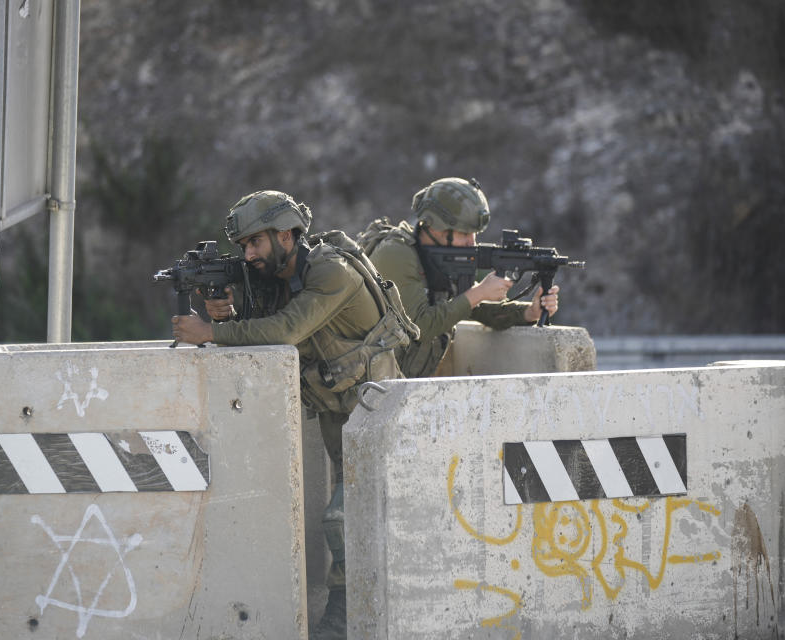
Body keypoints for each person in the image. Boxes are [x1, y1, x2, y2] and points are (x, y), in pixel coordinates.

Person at [172, 190, 414, 640]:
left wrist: (212, 332)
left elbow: (285, 331)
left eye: (255, 244)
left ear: (286, 235)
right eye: (243, 246)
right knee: (353, 519)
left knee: (345, 519)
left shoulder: (329, 271)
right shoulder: (280, 277)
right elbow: (265, 327)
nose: (248, 254)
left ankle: (346, 621)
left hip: (377, 413)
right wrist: (227, 314)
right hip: (337, 416)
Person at [362, 177, 559, 378]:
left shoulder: (437, 256)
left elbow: (475, 308)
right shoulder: (395, 254)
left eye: (474, 234)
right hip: (368, 388)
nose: (470, 242)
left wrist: (530, 312)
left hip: (398, 384)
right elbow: (421, 327)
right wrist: (479, 292)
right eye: (464, 234)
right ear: (437, 227)